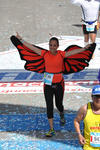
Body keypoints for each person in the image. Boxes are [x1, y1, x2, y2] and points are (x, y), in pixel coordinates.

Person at [12, 32, 95, 137]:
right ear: (49, 46)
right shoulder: (44, 54)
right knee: (49, 106)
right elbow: (31, 47)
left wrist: (84, 49)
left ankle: (61, 113)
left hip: (59, 84)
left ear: (57, 46)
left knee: (59, 104)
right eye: (50, 45)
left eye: (54, 45)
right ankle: (51, 129)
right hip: (47, 85)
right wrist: (21, 39)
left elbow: (74, 52)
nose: (52, 47)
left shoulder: (61, 54)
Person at [74, 85, 100, 150]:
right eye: (96, 96)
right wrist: (79, 135)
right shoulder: (85, 109)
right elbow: (76, 121)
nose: (99, 99)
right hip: (88, 146)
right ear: (92, 97)